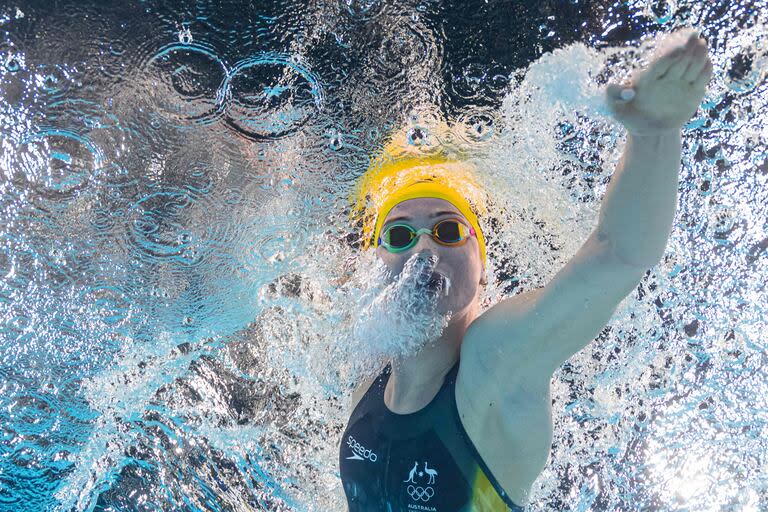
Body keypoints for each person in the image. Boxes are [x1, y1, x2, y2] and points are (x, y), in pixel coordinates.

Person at [339, 30, 713, 511]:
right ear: (377, 263)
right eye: (398, 235)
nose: (424, 247)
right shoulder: (370, 370)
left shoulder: (494, 366)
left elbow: (618, 254)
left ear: (482, 267)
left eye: (449, 230)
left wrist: (654, 133)